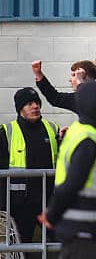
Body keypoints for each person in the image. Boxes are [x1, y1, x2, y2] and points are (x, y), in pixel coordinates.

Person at [39, 81, 96, 259]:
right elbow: (73, 182)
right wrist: (52, 214)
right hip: (82, 224)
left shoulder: (77, 131)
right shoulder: (89, 139)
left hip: (76, 223)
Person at [0, 88, 59, 248]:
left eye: (37, 103)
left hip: (49, 201)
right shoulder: (6, 132)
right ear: (20, 109)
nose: (35, 106)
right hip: (20, 204)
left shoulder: (53, 129)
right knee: (21, 248)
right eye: (29, 104)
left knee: (62, 242)